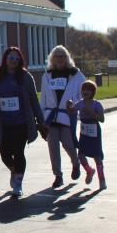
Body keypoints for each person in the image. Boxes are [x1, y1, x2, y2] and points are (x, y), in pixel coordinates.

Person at [0, 47, 45, 197]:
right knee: (5, 155)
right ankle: (13, 169)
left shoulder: (25, 77)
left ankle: (18, 184)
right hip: (2, 123)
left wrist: (41, 120)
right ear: (5, 59)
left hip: (21, 123)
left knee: (19, 153)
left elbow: (34, 100)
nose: (14, 61)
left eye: (17, 59)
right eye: (11, 58)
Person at [40, 45, 86, 188]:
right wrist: (41, 118)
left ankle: (76, 163)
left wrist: (77, 107)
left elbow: (83, 94)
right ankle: (58, 175)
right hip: (51, 116)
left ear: (67, 58)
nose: (60, 59)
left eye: (63, 56)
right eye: (57, 56)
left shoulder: (76, 75)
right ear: (52, 59)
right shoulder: (47, 75)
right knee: (53, 146)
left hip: (67, 115)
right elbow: (43, 98)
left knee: (68, 143)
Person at [68, 80, 106, 189]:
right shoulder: (80, 103)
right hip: (84, 131)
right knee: (81, 154)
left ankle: (102, 179)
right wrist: (69, 105)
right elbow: (71, 111)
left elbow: (102, 119)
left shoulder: (97, 104)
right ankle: (89, 171)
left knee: (97, 156)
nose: (85, 92)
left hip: (94, 131)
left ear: (93, 92)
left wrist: (91, 112)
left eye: (88, 90)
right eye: (83, 89)